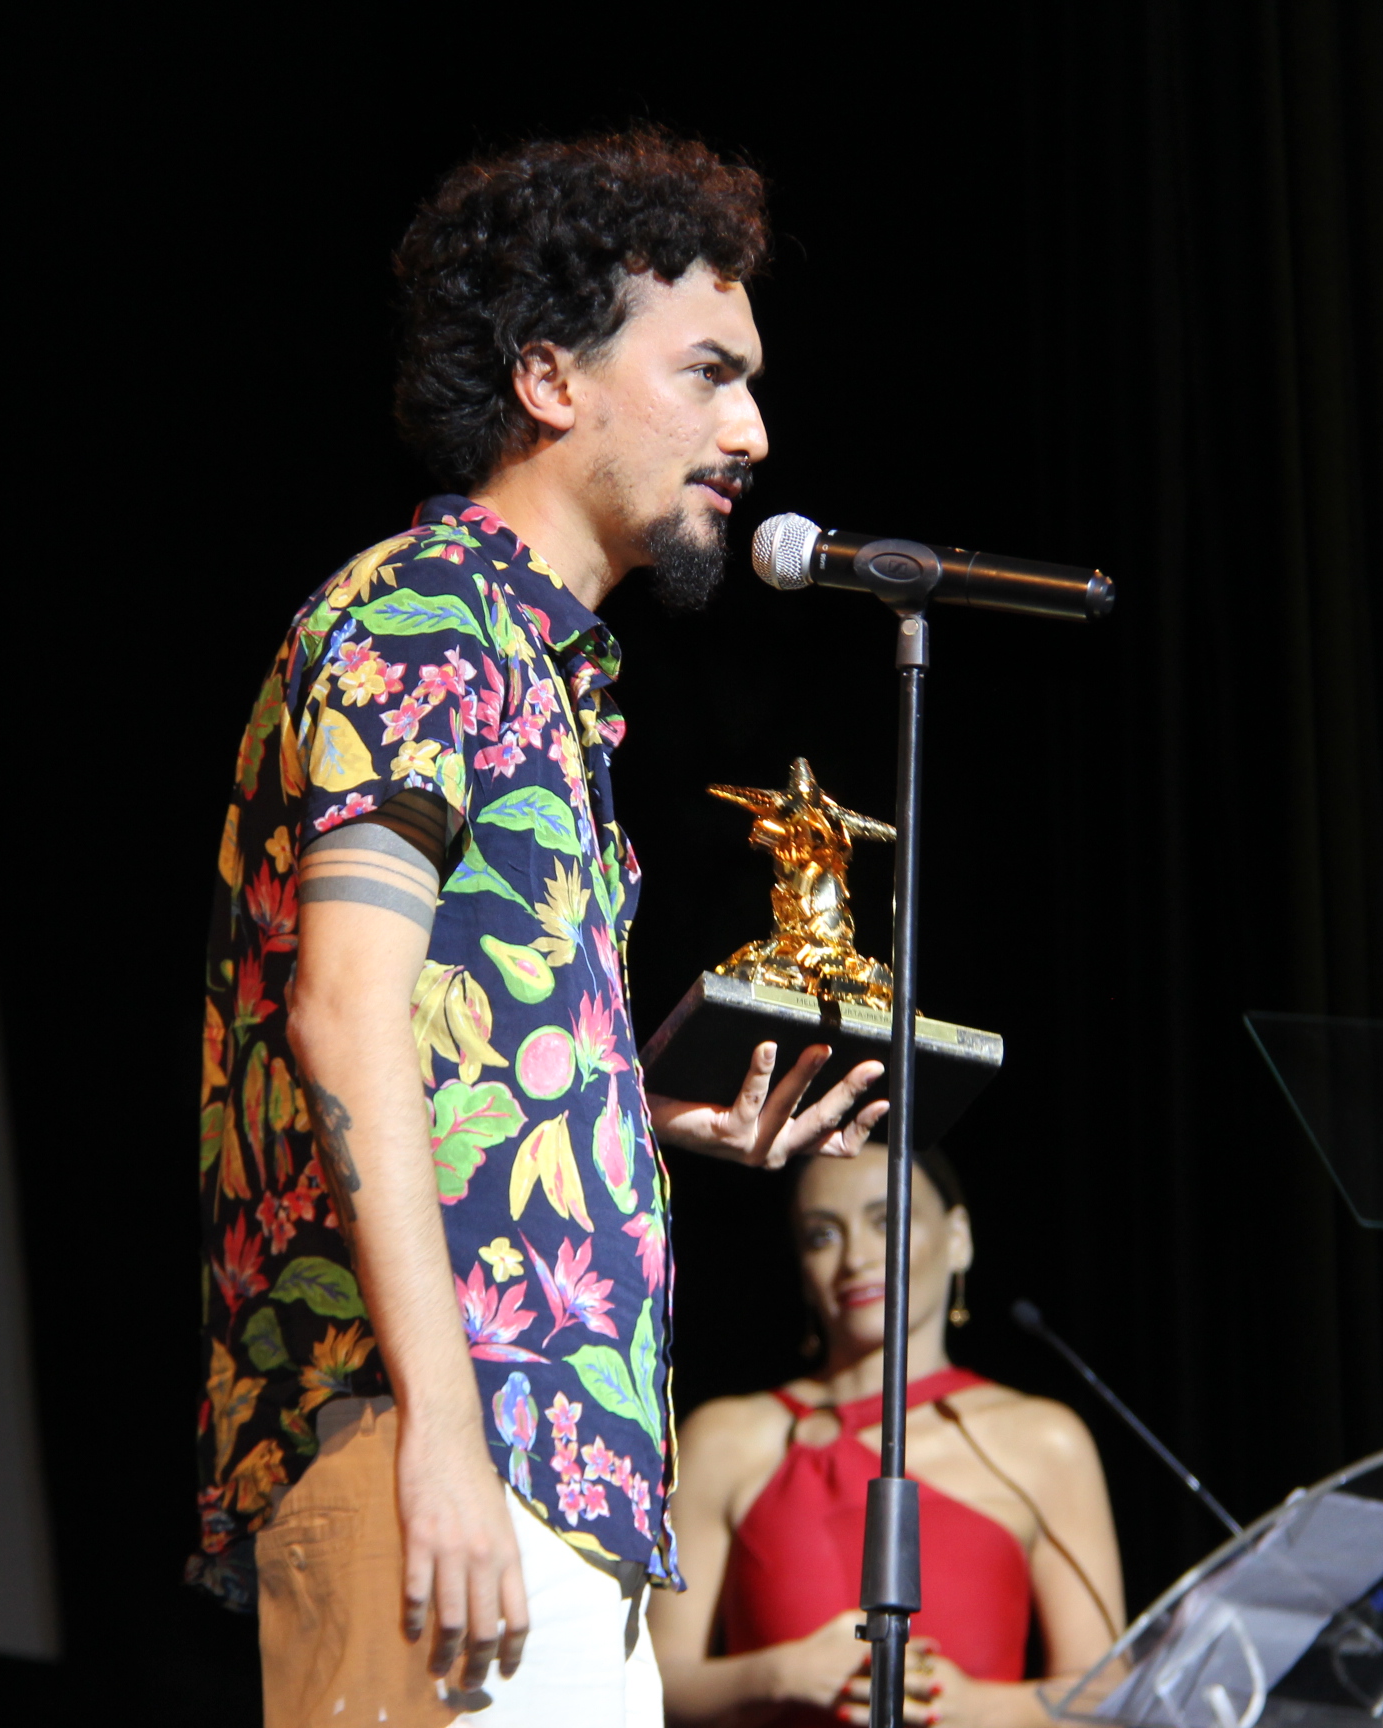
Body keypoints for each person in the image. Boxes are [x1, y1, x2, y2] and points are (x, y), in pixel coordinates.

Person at [190, 128, 887, 1725]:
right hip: (441, 1435)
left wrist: (626, 1114)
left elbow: (438, 1051)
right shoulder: (427, 621)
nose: (754, 430)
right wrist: (447, 1432)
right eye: (708, 373)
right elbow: (342, 1012)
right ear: (551, 378)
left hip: (544, 1463)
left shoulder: (534, 674)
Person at [650, 1147, 1125, 1727]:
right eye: (823, 1236)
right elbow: (649, 1681)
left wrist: (979, 1707)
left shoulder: (1045, 1442)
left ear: (958, 1238)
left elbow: (1106, 1696)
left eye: (887, 1222)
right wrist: (780, 1674)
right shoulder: (727, 1438)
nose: (856, 1257)